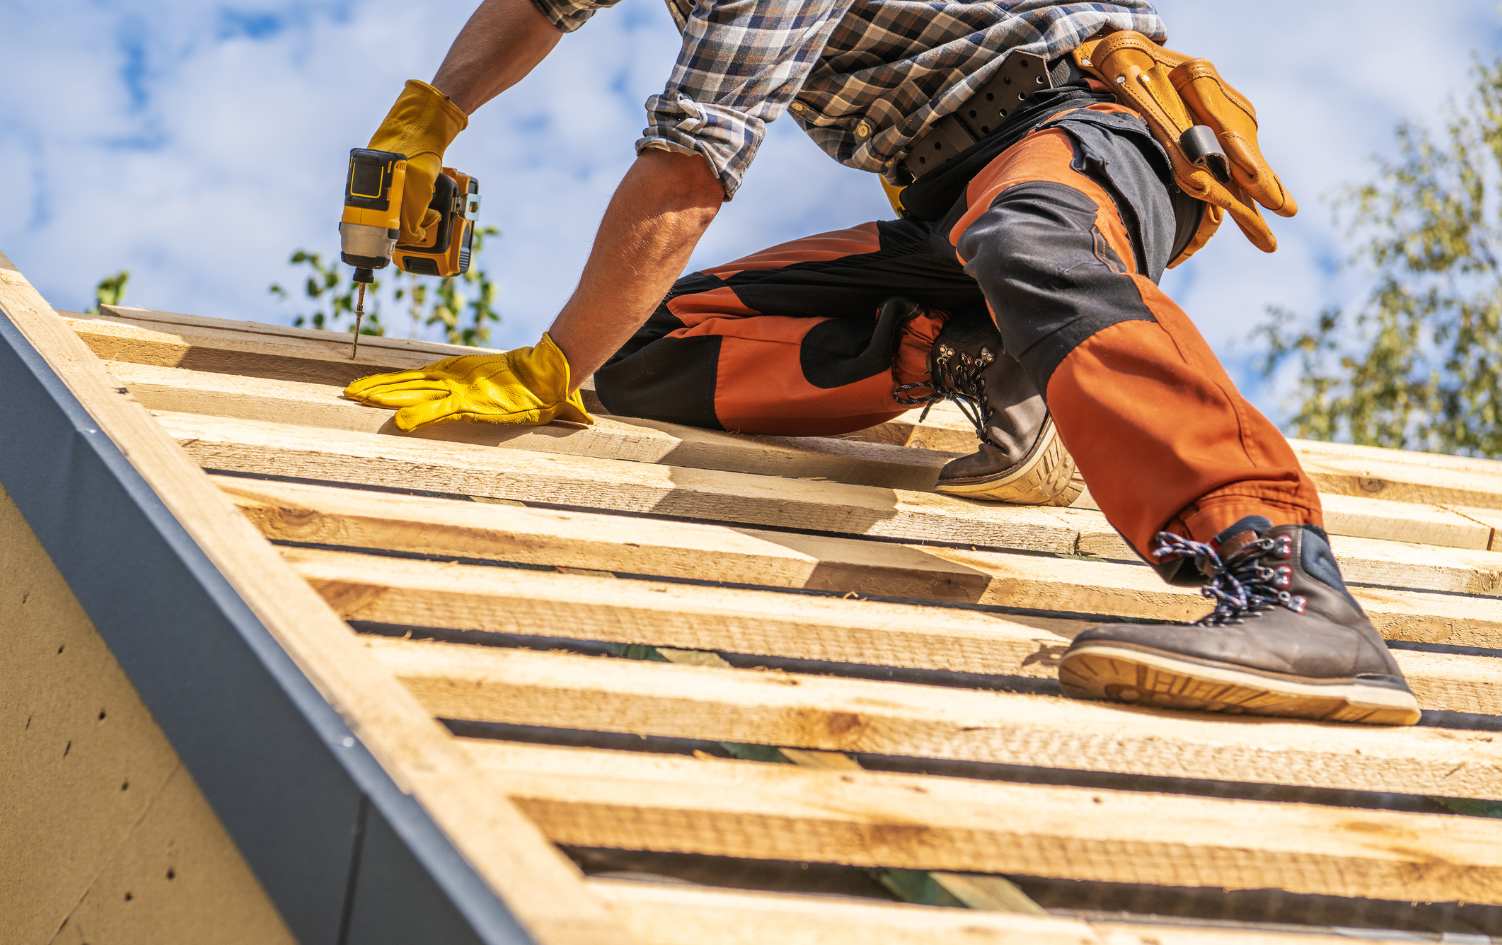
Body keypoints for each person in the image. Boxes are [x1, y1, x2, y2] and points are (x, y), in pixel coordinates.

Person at [343, 0, 1421, 726]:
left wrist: (547, 368)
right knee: (655, 351)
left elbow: (694, 162)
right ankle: (983, 352)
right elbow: (540, 4)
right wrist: (432, 114)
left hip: (1088, 127)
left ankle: (1283, 579)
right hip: (955, 199)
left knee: (1030, 240)